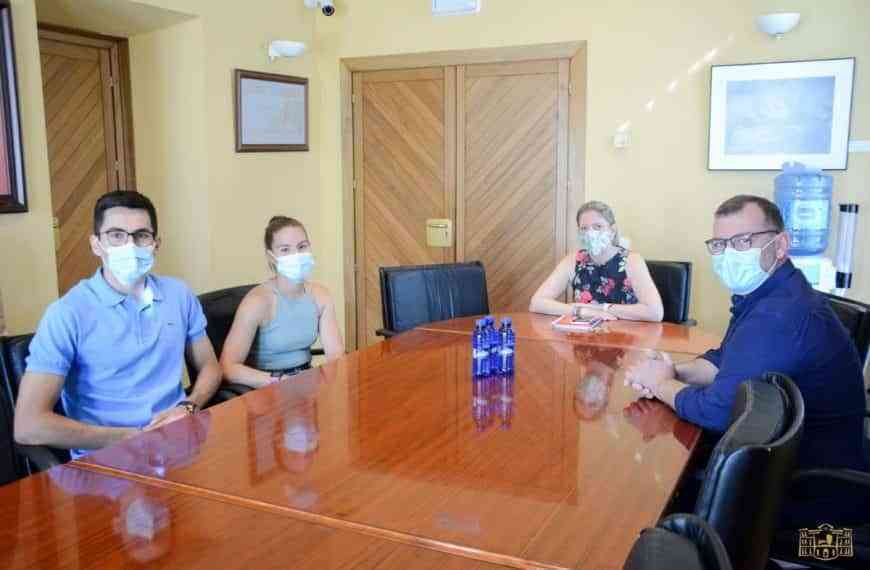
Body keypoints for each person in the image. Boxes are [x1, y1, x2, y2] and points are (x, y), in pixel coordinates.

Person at [624, 195, 868, 523]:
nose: (729, 255)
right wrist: (673, 371)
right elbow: (723, 359)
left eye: (742, 241)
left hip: (814, 502)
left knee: (651, 500)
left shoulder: (779, 315)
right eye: (720, 245)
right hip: (783, 459)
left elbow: (717, 411)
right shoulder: (768, 294)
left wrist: (660, 383)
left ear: (780, 245)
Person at [14, 191, 221, 458]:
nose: (130, 246)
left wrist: (189, 406)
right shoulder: (67, 314)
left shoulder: (179, 294)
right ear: (96, 244)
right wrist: (131, 438)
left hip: (180, 447)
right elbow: (28, 425)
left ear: (156, 244)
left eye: (141, 235)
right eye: (116, 235)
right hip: (108, 460)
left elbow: (210, 367)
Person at [220, 216, 343, 387]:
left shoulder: (321, 295)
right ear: (271, 256)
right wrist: (278, 381)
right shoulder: (257, 302)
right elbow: (228, 367)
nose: (296, 255)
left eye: (302, 247)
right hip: (268, 386)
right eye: (285, 250)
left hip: (306, 382)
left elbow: (336, 356)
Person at [529, 200, 664, 322]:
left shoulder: (631, 261)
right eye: (584, 228)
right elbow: (537, 303)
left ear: (612, 230)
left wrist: (601, 308)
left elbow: (655, 313)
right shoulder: (573, 260)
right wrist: (582, 311)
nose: (590, 233)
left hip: (625, 337)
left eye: (598, 227)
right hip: (584, 338)